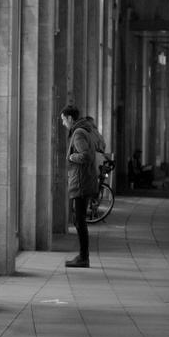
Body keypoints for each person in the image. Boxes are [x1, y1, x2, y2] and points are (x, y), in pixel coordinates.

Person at [61, 104, 100, 268]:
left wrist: (71, 158)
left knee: (79, 220)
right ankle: (83, 256)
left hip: (81, 182)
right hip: (86, 180)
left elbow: (85, 155)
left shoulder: (78, 133)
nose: (63, 123)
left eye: (63, 120)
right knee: (79, 219)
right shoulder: (86, 130)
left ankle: (84, 257)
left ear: (70, 118)